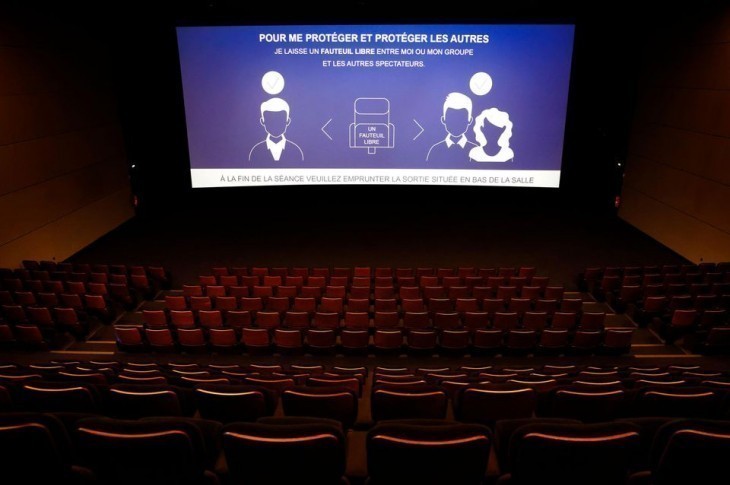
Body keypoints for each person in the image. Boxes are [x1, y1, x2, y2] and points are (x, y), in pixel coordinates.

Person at [426, 92, 477, 162]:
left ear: (470, 120)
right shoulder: (435, 150)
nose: (456, 122)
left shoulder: (475, 150)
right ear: (443, 120)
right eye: (451, 117)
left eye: (461, 118)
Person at [249, 97, 304, 162]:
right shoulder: (256, 151)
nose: (275, 123)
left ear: (288, 121)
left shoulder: (295, 151)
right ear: (262, 121)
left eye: (280, 119)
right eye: (270, 119)